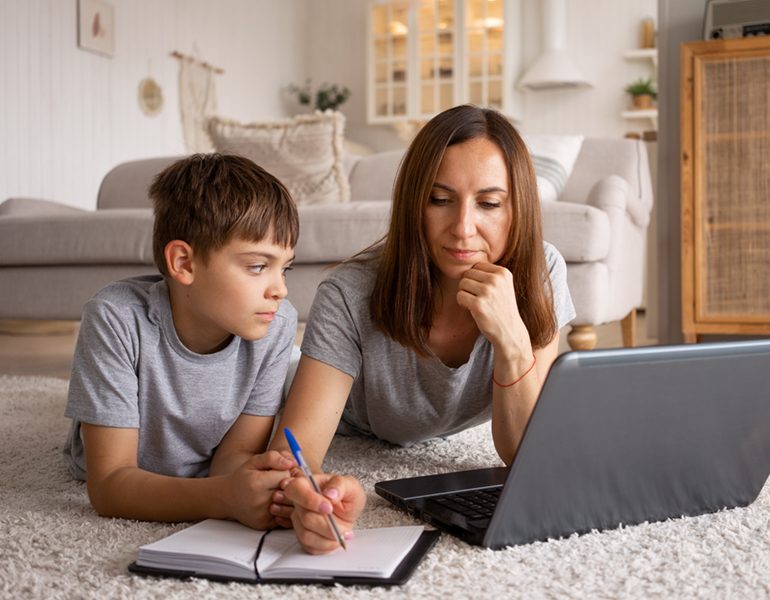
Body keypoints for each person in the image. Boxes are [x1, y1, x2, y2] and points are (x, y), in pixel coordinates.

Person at [270, 105, 576, 553]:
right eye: (440, 199)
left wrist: (512, 341)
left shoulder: (541, 271)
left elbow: (526, 456)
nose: (463, 228)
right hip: (355, 423)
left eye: (489, 204)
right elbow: (293, 460)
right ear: (415, 203)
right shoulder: (349, 292)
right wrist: (309, 502)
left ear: (518, 209)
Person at [63, 153, 300, 530]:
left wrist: (269, 487)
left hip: (207, 448)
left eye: (285, 267)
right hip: (126, 465)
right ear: (184, 263)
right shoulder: (115, 317)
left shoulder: (278, 323)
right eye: (258, 266)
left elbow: (233, 457)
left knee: (296, 370)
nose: (280, 289)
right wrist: (225, 497)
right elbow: (108, 484)